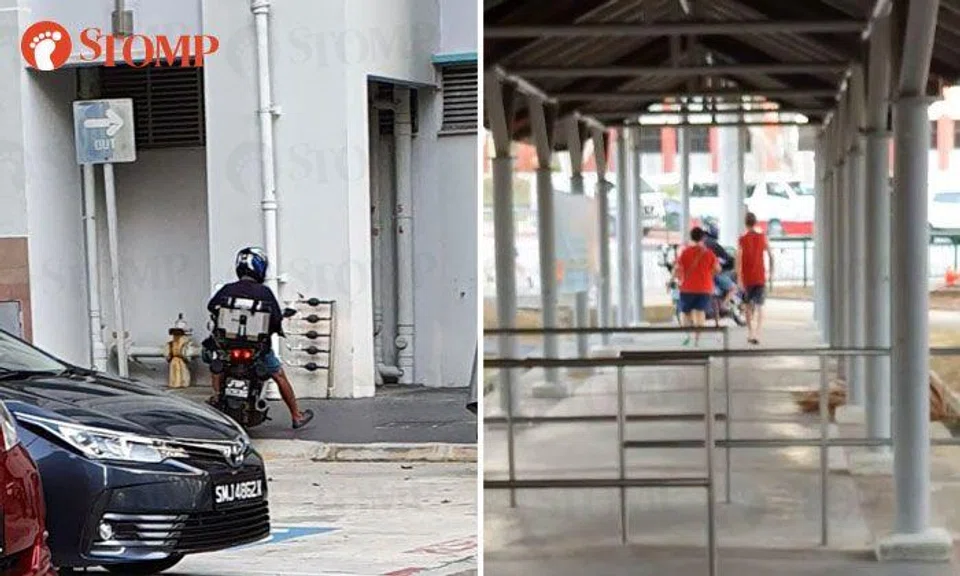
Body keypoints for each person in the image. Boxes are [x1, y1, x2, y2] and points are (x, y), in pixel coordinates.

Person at [207, 247, 315, 430]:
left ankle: (216, 397)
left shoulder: (227, 289)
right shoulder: (264, 293)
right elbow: (276, 319)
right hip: (257, 350)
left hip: (227, 348)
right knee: (278, 374)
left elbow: (212, 307)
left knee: (217, 365)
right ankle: (296, 416)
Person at [671, 227, 720, 347]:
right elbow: (718, 269)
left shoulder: (685, 252)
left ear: (691, 237)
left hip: (687, 287)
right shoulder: (709, 253)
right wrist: (708, 274)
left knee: (685, 312)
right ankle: (697, 340)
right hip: (704, 287)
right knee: (700, 313)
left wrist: (674, 279)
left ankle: (687, 335)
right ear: (703, 238)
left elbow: (677, 268)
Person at [737, 213, 775, 345]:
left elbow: (738, 259)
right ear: (755, 222)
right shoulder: (762, 237)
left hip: (747, 278)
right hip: (760, 277)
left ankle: (750, 332)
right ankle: (758, 333)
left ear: (745, 223)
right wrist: (771, 272)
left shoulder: (742, 239)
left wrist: (739, 278)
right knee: (759, 306)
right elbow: (771, 255)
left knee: (747, 306)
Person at [701, 219, 737, 307]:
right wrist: (733, 260)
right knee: (733, 288)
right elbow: (726, 256)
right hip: (711, 273)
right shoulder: (713, 243)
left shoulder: (701, 241)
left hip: (700, 273)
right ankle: (724, 306)